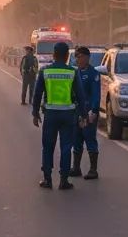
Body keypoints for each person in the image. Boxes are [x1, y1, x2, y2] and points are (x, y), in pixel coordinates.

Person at [31, 41, 87, 190]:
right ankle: (63, 180)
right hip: (68, 115)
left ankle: (47, 179)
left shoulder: (45, 71)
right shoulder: (73, 72)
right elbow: (81, 96)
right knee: (66, 147)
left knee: (48, 147)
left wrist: (35, 114)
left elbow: (37, 95)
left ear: (54, 55)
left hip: (50, 115)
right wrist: (83, 116)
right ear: (67, 55)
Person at [71, 45, 101, 179]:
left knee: (89, 139)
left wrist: (93, 111)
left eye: (79, 56)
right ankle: (76, 167)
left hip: (88, 111)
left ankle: (93, 170)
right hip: (76, 112)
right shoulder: (75, 73)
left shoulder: (93, 73)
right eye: (76, 56)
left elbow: (96, 94)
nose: (77, 59)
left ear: (87, 58)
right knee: (76, 139)